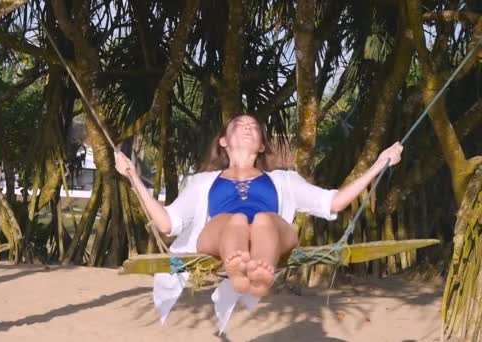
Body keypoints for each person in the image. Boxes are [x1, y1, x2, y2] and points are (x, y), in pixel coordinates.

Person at [114, 113, 403, 298]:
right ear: (224, 141)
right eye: (239, 125)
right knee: (235, 219)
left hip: (272, 235)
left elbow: (333, 201)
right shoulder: (201, 183)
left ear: (262, 146)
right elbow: (166, 223)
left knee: (265, 219)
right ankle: (237, 266)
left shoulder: (285, 181)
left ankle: (260, 272)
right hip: (221, 237)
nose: (247, 128)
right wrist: (132, 176)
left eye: (254, 127)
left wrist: (378, 165)